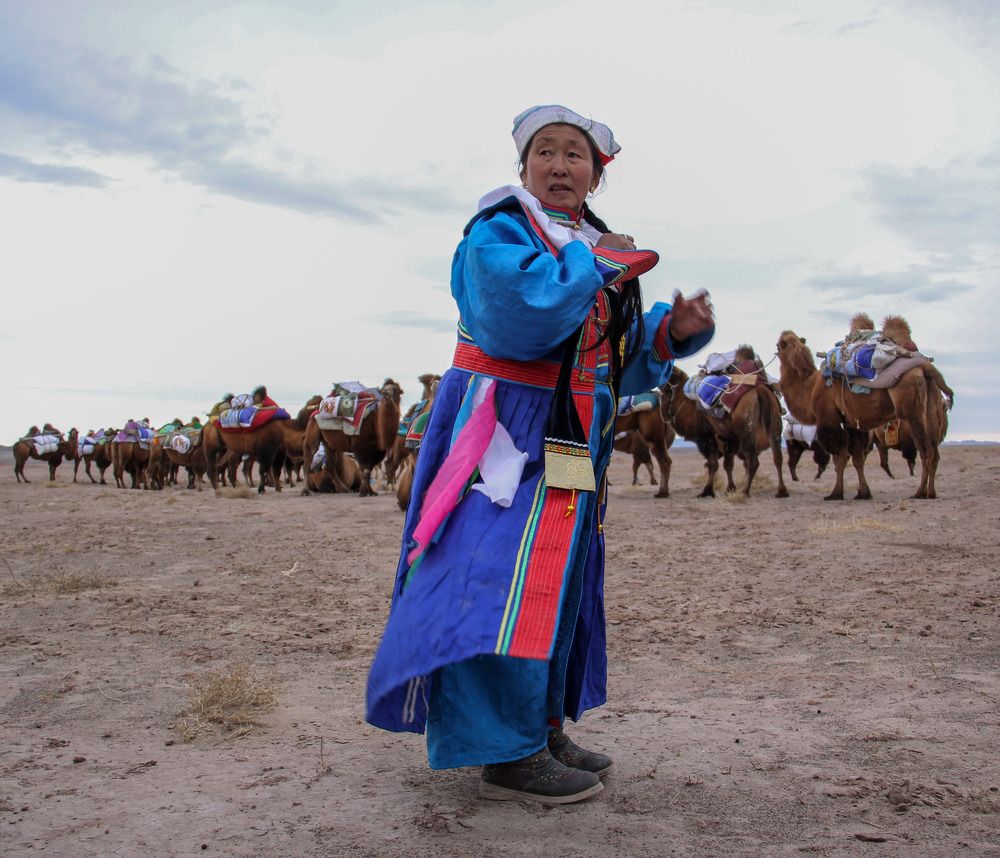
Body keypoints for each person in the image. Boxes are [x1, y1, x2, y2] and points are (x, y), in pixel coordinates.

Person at [365, 104, 715, 804]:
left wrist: (668, 334)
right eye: (545, 152)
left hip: (570, 435)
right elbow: (520, 319)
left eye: (574, 155)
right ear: (523, 168)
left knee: (552, 576)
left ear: (595, 175)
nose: (559, 165)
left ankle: (539, 727)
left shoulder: (586, 243)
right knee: (496, 578)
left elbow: (606, 359)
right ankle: (505, 751)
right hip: (501, 431)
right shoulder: (500, 229)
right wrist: (599, 260)